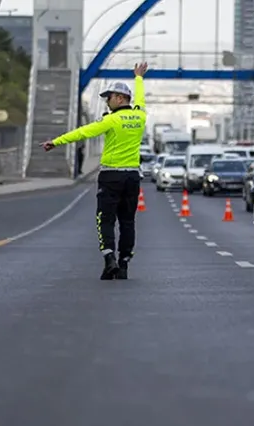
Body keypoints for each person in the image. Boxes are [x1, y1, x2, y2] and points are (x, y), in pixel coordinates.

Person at [41, 62, 148, 280]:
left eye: (109, 98)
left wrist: (56, 142)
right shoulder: (140, 117)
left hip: (111, 176)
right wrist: (139, 78)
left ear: (119, 98)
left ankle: (110, 260)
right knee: (127, 222)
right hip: (132, 177)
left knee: (105, 219)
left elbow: (83, 132)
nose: (107, 103)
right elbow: (141, 100)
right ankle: (125, 263)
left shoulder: (111, 120)